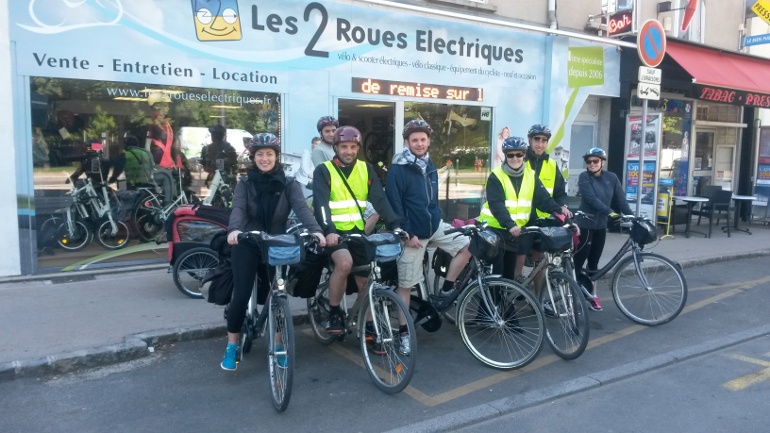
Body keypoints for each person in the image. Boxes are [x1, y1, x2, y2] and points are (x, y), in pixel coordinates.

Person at [221, 133, 326, 371]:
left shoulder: (288, 184)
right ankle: (231, 345)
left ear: (276, 157)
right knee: (242, 293)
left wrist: (316, 231)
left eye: (269, 154)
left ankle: (279, 344)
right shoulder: (245, 183)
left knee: (278, 294)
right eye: (260, 154)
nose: (265, 158)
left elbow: (301, 208)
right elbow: (238, 208)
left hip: (277, 243)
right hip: (247, 241)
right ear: (253, 157)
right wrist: (234, 230)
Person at [311, 126, 401, 349]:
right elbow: (321, 205)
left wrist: (396, 225)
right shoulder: (324, 170)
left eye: (353, 147)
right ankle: (334, 313)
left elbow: (380, 199)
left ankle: (369, 326)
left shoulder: (365, 169)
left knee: (367, 280)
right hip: (333, 233)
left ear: (358, 148)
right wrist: (328, 230)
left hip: (357, 232)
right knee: (344, 263)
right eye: (344, 147)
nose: (348, 151)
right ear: (336, 148)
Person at [386, 120, 472, 317]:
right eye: (414, 140)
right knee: (406, 286)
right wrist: (407, 233)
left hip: (434, 227)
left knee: (468, 245)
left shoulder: (429, 165)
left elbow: (431, 200)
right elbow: (394, 205)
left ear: (428, 141)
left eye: (423, 139)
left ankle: (446, 289)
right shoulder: (398, 169)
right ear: (407, 142)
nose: (419, 143)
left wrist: (437, 217)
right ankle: (403, 333)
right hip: (413, 235)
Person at [478, 137, 563, 283]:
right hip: (495, 230)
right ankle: (489, 305)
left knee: (509, 275)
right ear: (505, 156)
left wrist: (560, 211)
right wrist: (509, 224)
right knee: (497, 276)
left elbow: (543, 199)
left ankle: (505, 304)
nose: (515, 158)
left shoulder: (530, 175)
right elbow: (496, 204)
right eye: (510, 155)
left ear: (524, 155)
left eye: (519, 154)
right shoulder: (496, 176)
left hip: (515, 233)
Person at [574, 148, 632, 311]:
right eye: (589, 161)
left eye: (595, 161)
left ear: (602, 162)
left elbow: (621, 200)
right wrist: (611, 213)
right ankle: (571, 297)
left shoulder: (611, 177)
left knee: (594, 263)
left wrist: (632, 217)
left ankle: (592, 296)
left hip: (600, 226)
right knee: (578, 263)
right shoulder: (584, 177)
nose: (592, 164)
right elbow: (591, 199)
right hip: (585, 225)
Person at [524, 124, 573, 291]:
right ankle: (510, 300)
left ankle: (538, 301)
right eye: (537, 139)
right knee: (518, 259)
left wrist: (563, 206)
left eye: (544, 140)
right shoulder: (520, 160)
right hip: (522, 220)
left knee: (541, 261)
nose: (540, 144)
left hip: (544, 221)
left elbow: (559, 191)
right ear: (530, 140)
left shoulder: (551, 164)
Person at [312, 116, 379, 234]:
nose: (331, 134)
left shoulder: (335, 148)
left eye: (333, 130)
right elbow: (325, 176)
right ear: (320, 133)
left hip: (348, 194)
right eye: (327, 131)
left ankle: (359, 237)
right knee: (374, 213)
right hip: (333, 196)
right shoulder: (319, 151)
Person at [145, 93, 181, 205]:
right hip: (158, 164)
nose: (167, 108)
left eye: (167, 105)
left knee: (174, 192)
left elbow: (168, 146)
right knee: (169, 193)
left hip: (168, 164)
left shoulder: (166, 123)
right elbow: (147, 145)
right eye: (164, 105)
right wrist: (149, 164)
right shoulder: (152, 123)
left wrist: (174, 163)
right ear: (157, 106)